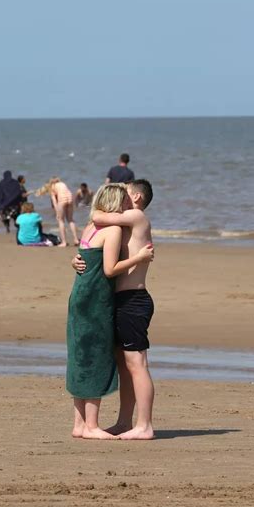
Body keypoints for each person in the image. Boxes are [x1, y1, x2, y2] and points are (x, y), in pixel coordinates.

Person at [67, 183, 154, 440]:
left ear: (136, 197)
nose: (123, 194)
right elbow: (95, 244)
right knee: (123, 364)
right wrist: (78, 258)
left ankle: (144, 424)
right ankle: (125, 421)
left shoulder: (136, 217)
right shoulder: (120, 226)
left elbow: (97, 215)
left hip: (133, 300)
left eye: (126, 191)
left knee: (136, 363)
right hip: (114, 300)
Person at [36, 177, 79, 247]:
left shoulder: (52, 187)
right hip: (70, 197)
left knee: (61, 220)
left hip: (62, 199)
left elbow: (54, 202)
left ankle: (64, 242)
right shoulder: (62, 184)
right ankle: (76, 239)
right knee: (70, 219)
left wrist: (57, 213)